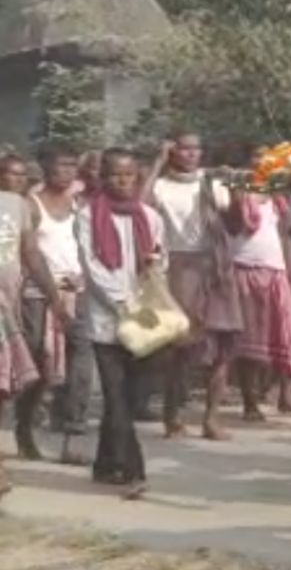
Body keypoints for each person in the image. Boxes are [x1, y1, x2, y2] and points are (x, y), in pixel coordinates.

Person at [77, 148, 165, 500]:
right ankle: (134, 470)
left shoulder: (150, 216)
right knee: (115, 397)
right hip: (107, 320)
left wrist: (154, 266)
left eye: (129, 175)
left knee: (129, 396)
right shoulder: (87, 216)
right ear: (103, 177)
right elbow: (93, 268)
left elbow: (160, 260)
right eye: (115, 175)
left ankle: (104, 462)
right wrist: (122, 304)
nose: (123, 181)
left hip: (143, 318)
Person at [146, 131, 242, 436]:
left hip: (214, 265)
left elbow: (235, 224)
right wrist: (156, 163)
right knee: (181, 347)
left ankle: (211, 419)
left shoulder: (211, 183)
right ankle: (172, 415)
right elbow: (141, 206)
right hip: (178, 266)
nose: (191, 154)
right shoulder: (160, 186)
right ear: (172, 151)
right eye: (183, 149)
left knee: (222, 343)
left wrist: (236, 190)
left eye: (196, 149)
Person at [15, 142, 92, 466]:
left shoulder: (79, 204)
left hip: (76, 291)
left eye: (73, 165)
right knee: (40, 368)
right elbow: (29, 253)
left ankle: (71, 434)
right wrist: (51, 294)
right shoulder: (30, 205)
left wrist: (85, 278)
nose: (67, 171)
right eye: (61, 165)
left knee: (80, 368)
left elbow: (87, 247)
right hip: (38, 294)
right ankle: (24, 428)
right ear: (45, 167)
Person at [225, 147, 291, 431]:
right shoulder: (238, 194)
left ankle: (285, 395)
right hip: (245, 268)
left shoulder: (278, 199)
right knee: (249, 340)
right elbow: (233, 226)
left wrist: (289, 268)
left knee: (283, 335)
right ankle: (250, 401)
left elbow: (285, 236)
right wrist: (236, 194)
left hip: (276, 270)